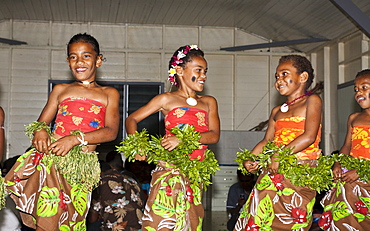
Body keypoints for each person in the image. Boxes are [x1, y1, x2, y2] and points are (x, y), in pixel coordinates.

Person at [4, 33, 120, 231]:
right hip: (51, 161)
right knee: (47, 220)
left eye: (86, 56)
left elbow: (111, 132)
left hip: (80, 167)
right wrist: (40, 132)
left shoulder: (109, 93)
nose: (79, 62)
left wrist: (75, 139)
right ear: (68, 61)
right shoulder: (60, 89)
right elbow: (41, 123)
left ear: (98, 60)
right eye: (73, 56)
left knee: (71, 222)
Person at [125, 45, 220, 230]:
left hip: (194, 174)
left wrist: (183, 140)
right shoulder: (166, 99)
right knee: (161, 223)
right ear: (179, 71)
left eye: (205, 71)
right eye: (198, 70)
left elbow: (214, 135)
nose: (204, 76)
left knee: (190, 224)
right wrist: (137, 146)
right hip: (169, 170)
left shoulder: (209, 102)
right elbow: (132, 119)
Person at [235, 55, 322, 231]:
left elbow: (309, 136)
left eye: (284, 74)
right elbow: (267, 140)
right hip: (273, 169)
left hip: (301, 170)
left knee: (292, 220)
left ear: (303, 77)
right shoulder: (277, 111)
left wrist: (280, 154)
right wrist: (250, 158)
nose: (278, 80)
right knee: (261, 216)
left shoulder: (312, 101)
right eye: (276, 76)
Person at [318, 69, 370, 230]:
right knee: (344, 204)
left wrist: (362, 172)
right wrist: (338, 164)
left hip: (365, 176)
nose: (358, 93)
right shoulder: (354, 118)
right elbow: (347, 146)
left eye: (364, 87)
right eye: (356, 89)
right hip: (352, 176)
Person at [92, 151, 144, 231]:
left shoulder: (100, 183)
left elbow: (93, 218)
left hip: (117, 228)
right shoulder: (131, 180)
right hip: (139, 226)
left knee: (93, 225)